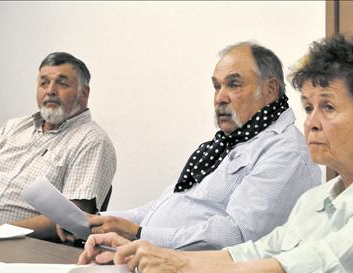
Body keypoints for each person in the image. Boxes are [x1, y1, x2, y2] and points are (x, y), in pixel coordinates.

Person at [78, 34, 353, 273]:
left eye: (327, 107)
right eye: (308, 108)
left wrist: (176, 266)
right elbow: (256, 251)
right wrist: (145, 253)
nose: (310, 123)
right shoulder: (318, 199)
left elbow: (318, 269)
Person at [70, 42, 321, 250]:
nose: (220, 98)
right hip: (165, 267)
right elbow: (163, 208)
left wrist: (138, 235)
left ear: (270, 89)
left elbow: (239, 238)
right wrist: (99, 221)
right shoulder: (224, 146)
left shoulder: (285, 152)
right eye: (216, 86)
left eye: (233, 84)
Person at [0, 52, 117, 241]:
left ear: (83, 94)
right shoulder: (14, 127)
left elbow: (73, 218)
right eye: (44, 83)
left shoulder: (91, 141)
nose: (50, 90)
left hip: (27, 246)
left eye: (62, 83)